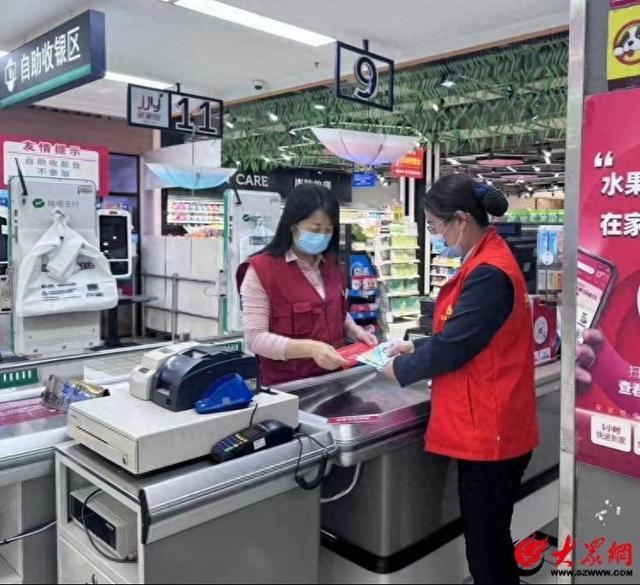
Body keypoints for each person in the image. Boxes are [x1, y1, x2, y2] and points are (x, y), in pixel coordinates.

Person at [383, 174, 539, 585]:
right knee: (491, 538)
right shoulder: (485, 260)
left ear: (461, 219)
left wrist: (400, 369)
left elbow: (456, 346)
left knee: (486, 548)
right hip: (493, 424)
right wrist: (416, 346)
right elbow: (466, 333)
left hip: (491, 432)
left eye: (435, 226)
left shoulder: (488, 272)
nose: (436, 236)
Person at [238, 183, 376, 386]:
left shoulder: (331, 266)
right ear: (292, 225)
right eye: (315, 229)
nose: (322, 236)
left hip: (336, 379)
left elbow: (333, 309)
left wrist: (355, 331)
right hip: (287, 388)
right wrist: (310, 349)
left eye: (328, 230)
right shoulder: (261, 270)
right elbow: (255, 338)